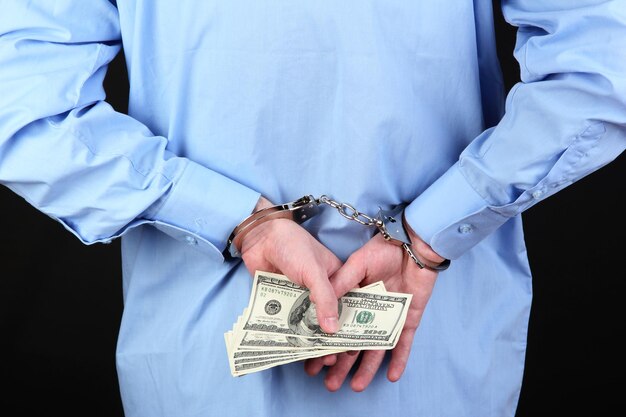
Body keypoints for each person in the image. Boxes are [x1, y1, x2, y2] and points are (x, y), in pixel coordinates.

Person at [1, 1, 624, 416]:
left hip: (205, 359)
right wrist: (432, 230)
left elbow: (22, 106)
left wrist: (231, 216)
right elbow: (603, 72)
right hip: (430, 343)